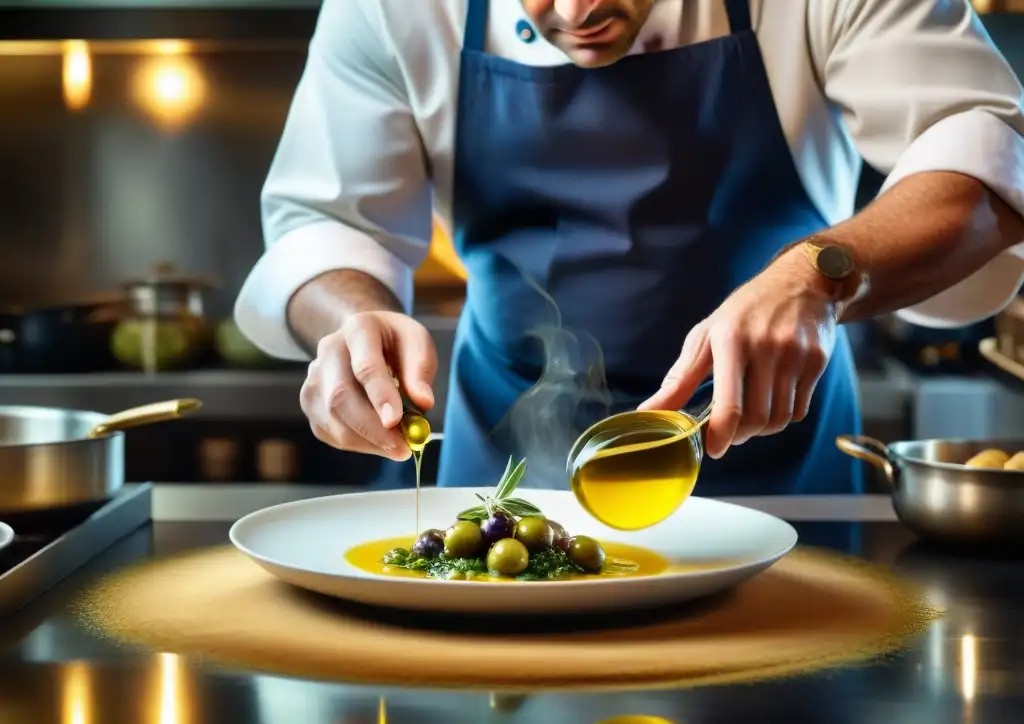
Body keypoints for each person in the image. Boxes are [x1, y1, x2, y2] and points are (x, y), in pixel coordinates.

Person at [235, 0, 1024, 495]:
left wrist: (818, 277)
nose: (577, 10)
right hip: (505, 474)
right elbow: (326, 223)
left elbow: (990, 162)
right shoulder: (389, 8)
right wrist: (354, 321)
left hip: (782, 466)